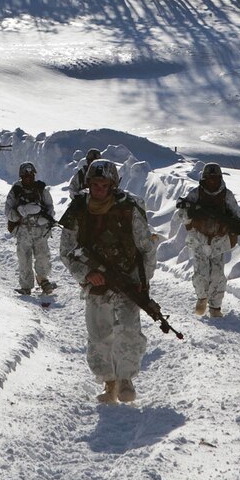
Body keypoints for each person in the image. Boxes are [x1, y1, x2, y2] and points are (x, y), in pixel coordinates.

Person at [59, 159, 157, 404]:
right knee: (99, 335)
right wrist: (86, 274)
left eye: (104, 185)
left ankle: (125, 380)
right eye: (95, 185)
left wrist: (143, 282)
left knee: (129, 331)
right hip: (96, 283)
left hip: (127, 279)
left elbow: (146, 248)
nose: (99, 190)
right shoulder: (78, 210)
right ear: (88, 184)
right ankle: (109, 382)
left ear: (113, 185)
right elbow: (66, 251)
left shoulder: (129, 208)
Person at [176, 162, 240, 318]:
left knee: (217, 276)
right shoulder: (196, 194)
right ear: (204, 179)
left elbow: (236, 215)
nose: (212, 182)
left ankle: (215, 307)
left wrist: (236, 226)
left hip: (218, 241)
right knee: (201, 274)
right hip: (199, 239)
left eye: (215, 179)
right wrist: (192, 214)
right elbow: (181, 212)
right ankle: (202, 298)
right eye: (210, 178)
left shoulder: (226, 195)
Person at [4, 162, 57, 295]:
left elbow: (50, 207)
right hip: (23, 230)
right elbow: (8, 212)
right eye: (26, 175)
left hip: (40, 230)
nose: (29, 178)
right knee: (24, 259)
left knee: (43, 257)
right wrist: (21, 212)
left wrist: (46, 218)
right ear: (21, 176)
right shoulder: (15, 191)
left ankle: (43, 279)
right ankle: (26, 286)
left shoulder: (41, 190)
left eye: (31, 175)